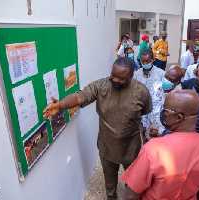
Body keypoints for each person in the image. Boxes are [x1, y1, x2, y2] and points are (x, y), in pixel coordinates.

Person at [43, 57, 152, 200]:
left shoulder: (142, 91)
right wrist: (60, 105)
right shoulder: (101, 86)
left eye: (121, 78)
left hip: (131, 147)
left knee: (132, 183)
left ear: (132, 75)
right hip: (107, 146)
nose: (115, 80)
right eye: (113, 75)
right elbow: (79, 97)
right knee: (110, 182)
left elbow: (145, 113)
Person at [121, 90, 199, 200]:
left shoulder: (153, 150)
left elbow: (131, 194)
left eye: (166, 111)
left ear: (179, 117)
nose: (163, 114)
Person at [144, 66, 184, 141]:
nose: (167, 80)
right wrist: (144, 125)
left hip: (164, 139)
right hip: (148, 132)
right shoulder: (155, 86)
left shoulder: (179, 98)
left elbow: (178, 125)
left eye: (171, 80)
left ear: (177, 82)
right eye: (166, 76)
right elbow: (147, 105)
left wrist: (159, 133)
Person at [134, 50, 165, 137]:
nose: (145, 63)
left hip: (156, 112)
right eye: (142, 61)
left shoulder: (161, 74)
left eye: (147, 61)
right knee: (141, 135)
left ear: (153, 60)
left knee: (154, 136)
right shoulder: (136, 75)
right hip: (141, 110)